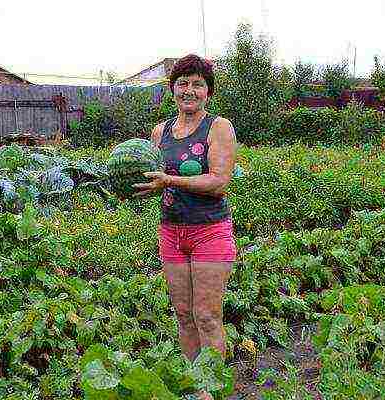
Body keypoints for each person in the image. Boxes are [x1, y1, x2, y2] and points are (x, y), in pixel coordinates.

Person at [133, 54, 237, 400]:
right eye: (182, 84)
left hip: (209, 230)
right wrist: (137, 184)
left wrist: (170, 181)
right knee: (183, 315)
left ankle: (212, 390)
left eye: (197, 84)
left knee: (207, 315)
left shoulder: (218, 127)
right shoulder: (159, 131)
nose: (189, 90)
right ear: (172, 89)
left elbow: (219, 182)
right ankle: (196, 385)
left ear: (208, 92)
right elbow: (152, 175)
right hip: (172, 232)